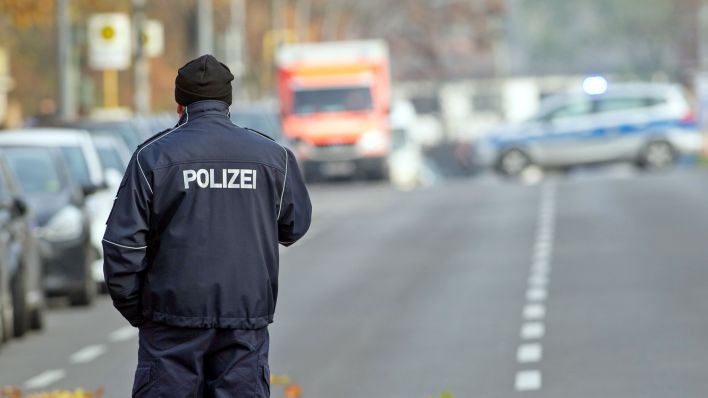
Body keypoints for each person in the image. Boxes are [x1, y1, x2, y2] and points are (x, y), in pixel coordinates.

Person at [102, 54, 312, 397]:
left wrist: (140, 311)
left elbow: (123, 246)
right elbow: (295, 225)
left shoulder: (152, 157)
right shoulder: (273, 157)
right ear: (228, 102)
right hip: (244, 320)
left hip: (170, 321)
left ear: (179, 104)